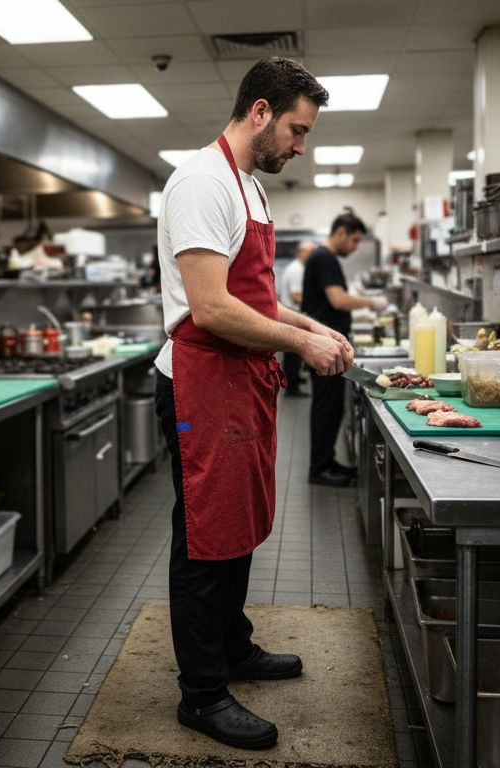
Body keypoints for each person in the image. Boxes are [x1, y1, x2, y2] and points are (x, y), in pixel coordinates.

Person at [152, 57, 352, 751]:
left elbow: (256, 300)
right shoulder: (201, 183)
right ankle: (201, 694)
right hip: (200, 385)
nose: (300, 146)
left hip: (241, 383)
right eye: (297, 130)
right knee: (206, 538)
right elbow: (209, 308)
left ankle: (232, 648)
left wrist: (309, 326)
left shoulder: (253, 192)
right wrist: (301, 351)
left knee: (237, 527)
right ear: (260, 111)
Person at [301, 212, 388, 487]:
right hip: (323, 349)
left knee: (331, 407)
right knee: (326, 407)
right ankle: (320, 468)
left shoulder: (324, 258)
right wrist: (371, 303)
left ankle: (326, 461)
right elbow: (337, 300)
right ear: (341, 232)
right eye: (354, 240)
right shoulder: (324, 258)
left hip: (328, 347)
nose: (355, 247)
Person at [278, 240, 317, 395]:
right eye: (311, 252)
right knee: (293, 355)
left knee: (295, 355)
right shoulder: (297, 270)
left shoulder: (299, 268)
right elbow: (296, 296)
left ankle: (294, 378)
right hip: (293, 314)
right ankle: (291, 387)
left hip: (294, 314)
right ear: (303, 252)